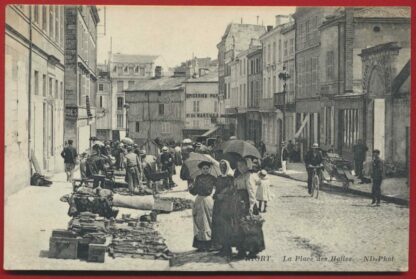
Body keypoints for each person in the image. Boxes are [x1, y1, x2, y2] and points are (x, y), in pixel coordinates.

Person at [232, 158, 265, 259]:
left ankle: (252, 251)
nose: (240, 168)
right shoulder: (240, 176)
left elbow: (251, 192)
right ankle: (241, 250)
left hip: (247, 203)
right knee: (240, 226)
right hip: (240, 203)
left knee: (250, 226)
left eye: (242, 165)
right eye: (238, 166)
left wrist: (251, 206)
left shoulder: (249, 176)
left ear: (247, 166)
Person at [189, 161, 217, 252]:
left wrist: (215, 195)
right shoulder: (198, 178)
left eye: (207, 168)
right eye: (203, 169)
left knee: (209, 220)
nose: (205, 170)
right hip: (199, 200)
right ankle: (201, 245)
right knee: (199, 221)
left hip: (208, 200)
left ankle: (210, 244)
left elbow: (218, 188)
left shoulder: (213, 178)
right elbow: (194, 192)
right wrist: (191, 188)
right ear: (201, 170)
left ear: (209, 169)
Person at [211, 160, 234, 257]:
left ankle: (228, 249)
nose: (222, 168)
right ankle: (222, 248)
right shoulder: (218, 178)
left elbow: (232, 190)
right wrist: (215, 195)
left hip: (227, 205)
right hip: (218, 205)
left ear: (227, 167)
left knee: (226, 226)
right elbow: (216, 190)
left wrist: (223, 195)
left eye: (224, 166)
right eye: (221, 167)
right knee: (218, 226)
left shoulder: (231, 178)